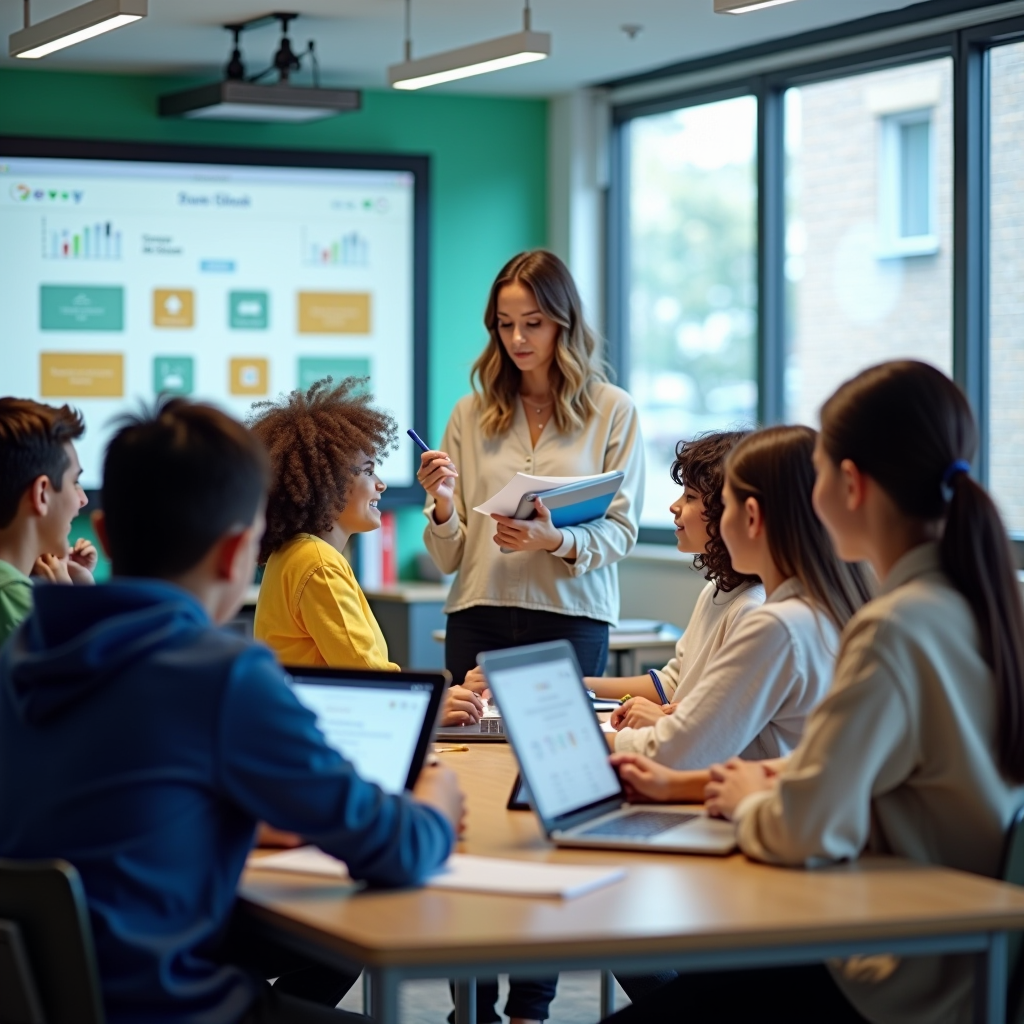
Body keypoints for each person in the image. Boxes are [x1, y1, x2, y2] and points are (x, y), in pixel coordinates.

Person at [0, 397, 463, 1024]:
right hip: (167, 1005)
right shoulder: (220, 675)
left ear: (104, 534)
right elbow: (395, 846)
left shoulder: (24, 650)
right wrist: (436, 801)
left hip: (51, 993)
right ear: (239, 549)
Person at [608, 360, 1024, 1024]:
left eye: (819, 471)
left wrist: (746, 800)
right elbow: (860, 778)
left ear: (850, 486)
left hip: (891, 969)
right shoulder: (976, 604)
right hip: (957, 947)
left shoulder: (893, 628)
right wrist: (714, 783)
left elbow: (806, 828)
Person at [417, 250, 643, 1024]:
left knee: (549, 803)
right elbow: (450, 555)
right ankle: (470, 1005)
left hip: (570, 618)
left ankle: (531, 1007)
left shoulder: (612, 410)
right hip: (478, 612)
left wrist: (554, 541)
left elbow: (621, 531)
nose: (518, 340)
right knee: (476, 807)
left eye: (534, 324)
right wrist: (443, 506)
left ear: (564, 324)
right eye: (506, 325)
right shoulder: (470, 413)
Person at [608, 425, 872, 796]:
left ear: (751, 516)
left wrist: (578, 739)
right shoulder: (814, 608)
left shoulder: (777, 624)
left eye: (726, 505)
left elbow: (673, 753)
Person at [250, 378, 484, 728]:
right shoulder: (317, 563)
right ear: (329, 484)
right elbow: (370, 679)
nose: (381, 484)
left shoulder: (293, 555)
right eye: (369, 471)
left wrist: (450, 692)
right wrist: (438, 701)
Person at [586, 430, 764, 712]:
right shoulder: (716, 590)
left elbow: (719, 719)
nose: (674, 506)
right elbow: (673, 683)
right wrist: (580, 685)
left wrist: (663, 719)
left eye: (690, 496)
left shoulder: (751, 608)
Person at [0, 397, 96, 646]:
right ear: (42, 493)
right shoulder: (15, 601)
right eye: (74, 482)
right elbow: (81, 665)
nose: (83, 499)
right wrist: (67, 601)